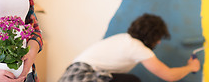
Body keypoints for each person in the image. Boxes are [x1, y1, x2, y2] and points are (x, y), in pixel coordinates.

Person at [58, 13, 200, 82]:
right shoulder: (137, 48)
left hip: (70, 76)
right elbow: (168, 75)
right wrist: (191, 67)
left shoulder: (124, 39)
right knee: (131, 81)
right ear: (151, 36)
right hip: (81, 77)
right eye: (158, 38)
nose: (159, 43)